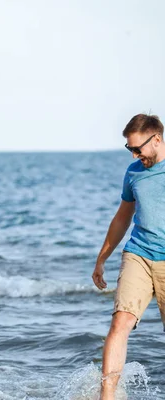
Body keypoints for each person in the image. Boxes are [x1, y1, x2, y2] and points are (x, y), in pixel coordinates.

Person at [92, 114, 165, 400]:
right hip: (139, 254)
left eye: (138, 149)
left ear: (157, 139)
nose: (135, 155)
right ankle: (106, 395)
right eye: (130, 150)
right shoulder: (134, 172)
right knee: (119, 323)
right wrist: (102, 258)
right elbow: (123, 217)